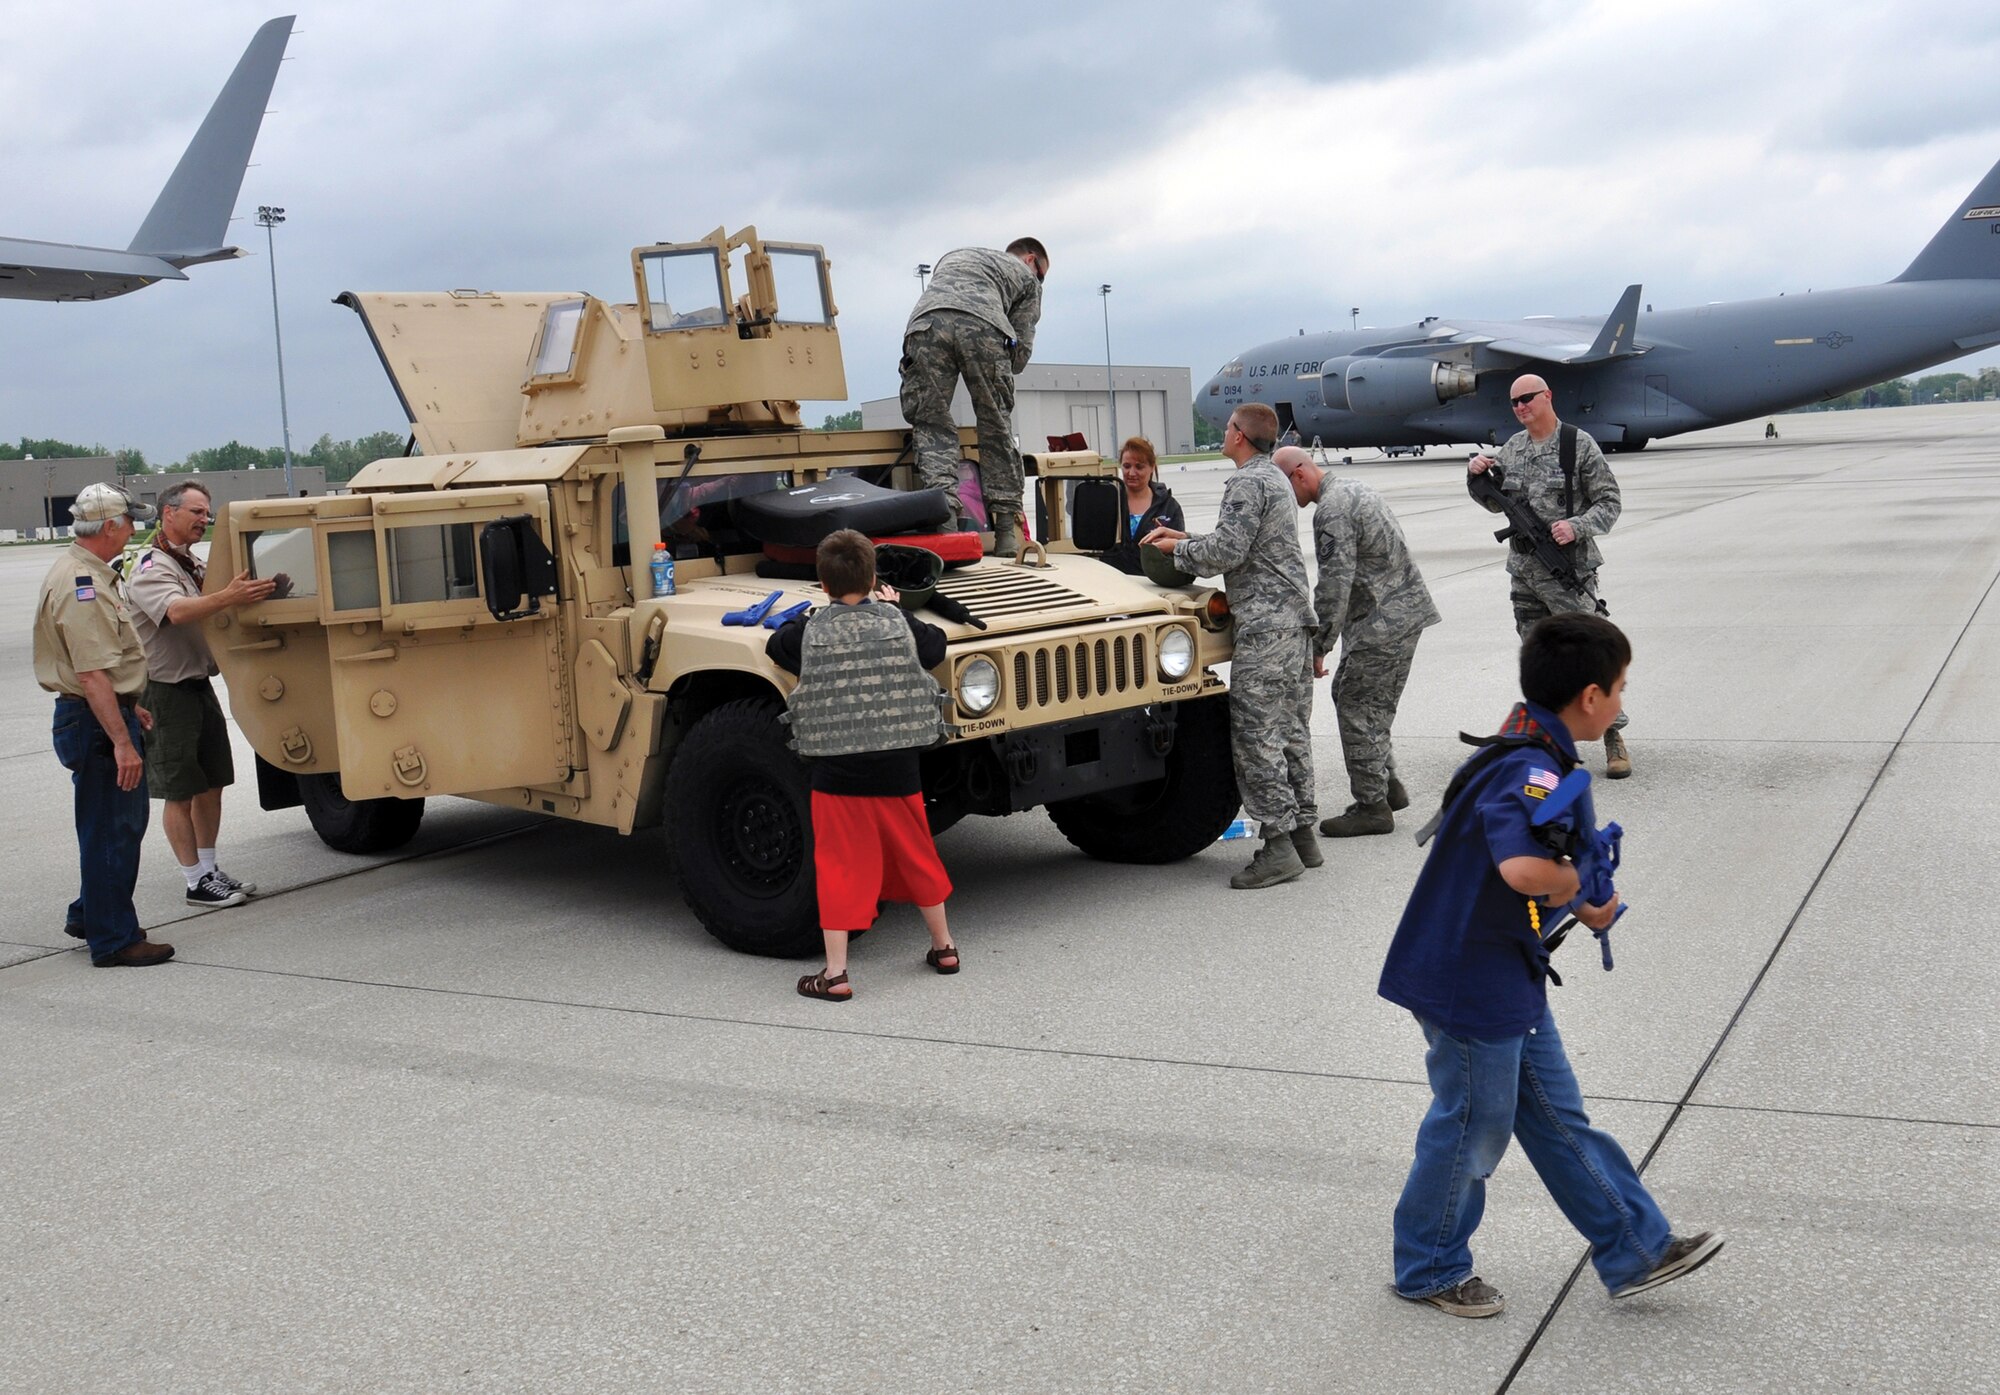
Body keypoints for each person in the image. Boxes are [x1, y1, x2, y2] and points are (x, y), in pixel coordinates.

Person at [1380, 613, 1722, 1318]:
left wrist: (1587, 896)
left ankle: (1636, 1247)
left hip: (1505, 973)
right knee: (1472, 1122)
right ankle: (1429, 1264)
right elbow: (1522, 866)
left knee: (1559, 1117)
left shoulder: (1537, 746)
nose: (1625, 702)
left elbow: (1548, 861)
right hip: (1467, 981)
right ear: (1590, 697)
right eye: (1621, 688)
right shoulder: (1531, 769)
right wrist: (1569, 887)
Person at [766, 530, 959, 1000]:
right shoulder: (898, 621)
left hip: (835, 773)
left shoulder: (810, 630)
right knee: (917, 855)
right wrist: (894, 607)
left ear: (822, 582)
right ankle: (945, 947)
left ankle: (835, 974)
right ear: (874, 578)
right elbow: (935, 648)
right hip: (899, 767)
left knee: (839, 868)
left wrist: (817, 614)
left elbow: (777, 647)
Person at [1142, 402, 1319, 889]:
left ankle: (1278, 847)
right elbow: (1242, 542)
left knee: (1256, 736)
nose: (1223, 434)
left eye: (1226, 428)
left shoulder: (1245, 482)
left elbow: (1226, 552)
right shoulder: (1274, 479)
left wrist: (1174, 550)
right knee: (1290, 730)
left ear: (1240, 435)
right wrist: (1184, 536)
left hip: (1264, 628)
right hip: (1292, 623)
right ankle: (1304, 833)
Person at [33, 483, 173, 967]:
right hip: (93, 722)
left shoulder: (85, 572)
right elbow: (91, 672)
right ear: (109, 526)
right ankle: (114, 939)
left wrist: (128, 704)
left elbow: (98, 669)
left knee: (111, 826)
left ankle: (91, 913)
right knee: (113, 829)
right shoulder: (82, 584)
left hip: (97, 712)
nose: (134, 530)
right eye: (129, 522)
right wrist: (121, 741)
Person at [1468, 373, 1631, 777]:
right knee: (1537, 661)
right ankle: (1546, 744)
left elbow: (1610, 502)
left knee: (1589, 658)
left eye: (1527, 398)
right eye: (1514, 403)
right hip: (1524, 574)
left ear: (1547, 396)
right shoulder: (1513, 449)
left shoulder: (1577, 445)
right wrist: (1475, 475)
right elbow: (1493, 503)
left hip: (1567, 571)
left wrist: (1576, 526)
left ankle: (1613, 735)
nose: (1521, 407)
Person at [1273, 446, 1440, 836]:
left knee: (1356, 704)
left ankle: (1372, 806)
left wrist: (1319, 645)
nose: (1289, 500)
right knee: (1365, 702)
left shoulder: (1331, 510)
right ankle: (1387, 785)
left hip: (1382, 622)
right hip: (1399, 613)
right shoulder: (1354, 488)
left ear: (1299, 474)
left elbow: (1334, 584)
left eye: (1286, 489)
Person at [124, 481, 276, 907]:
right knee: (179, 790)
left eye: (207, 512)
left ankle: (208, 869)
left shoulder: (188, 561)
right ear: (168, 513)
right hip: (165, 691)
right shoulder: (150, 565)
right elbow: (175, 611)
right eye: (196, 511)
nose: (204, 519)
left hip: (197, 684)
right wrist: (228, 595)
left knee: (212, 783)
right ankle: (194, 881)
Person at [900, 238, 1049, 554]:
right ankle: (1006, 535)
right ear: (1031, 260)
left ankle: (947, 529)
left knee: (931, 425)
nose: (1040, 282)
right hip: (984, 323)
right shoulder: (1026, 279)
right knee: (995, 425)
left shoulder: (956, 255)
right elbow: (1020, 355)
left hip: (925, 323)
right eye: (1042, 275)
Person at [1099, 436, 1184, 575]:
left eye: (1139, 466)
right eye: (1127, 466)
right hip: (1112, 582)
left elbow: (1178, 552)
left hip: (1152, 584)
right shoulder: (1109, 501)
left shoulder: (1170, 507)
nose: (1132, 473)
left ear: (1152, 467)